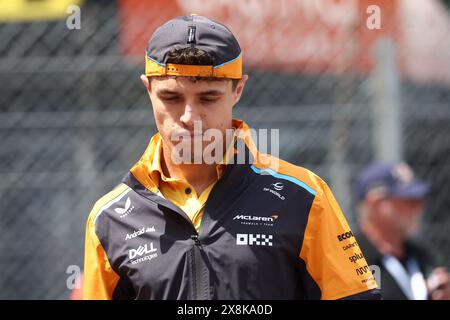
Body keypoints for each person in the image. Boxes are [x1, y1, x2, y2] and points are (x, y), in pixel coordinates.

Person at [83, 15, 380, 300]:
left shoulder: (304, 196)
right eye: (171, 98)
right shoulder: (109, 218)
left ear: (238, 89)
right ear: (148, 89)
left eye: (208, 98)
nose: (190, 117)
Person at [354, 162, 450, 300]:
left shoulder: (422, 257)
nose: (419, 206)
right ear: (375, 204)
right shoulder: (352, 258)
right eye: (407, 200)